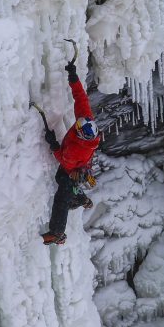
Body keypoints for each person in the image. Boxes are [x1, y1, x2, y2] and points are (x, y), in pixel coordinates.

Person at [41, 60, 100, 245]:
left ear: (82, 135)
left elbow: (64, 160)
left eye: (77, 127)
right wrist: (73, 77)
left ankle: (56, 232)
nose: (76, 123)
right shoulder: (86, 120)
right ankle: (80, 198)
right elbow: (81, 98)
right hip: (79, 166)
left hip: (73, 168)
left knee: (62, 195)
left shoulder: (76, 148)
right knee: (62, 180)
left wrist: (53, 144)